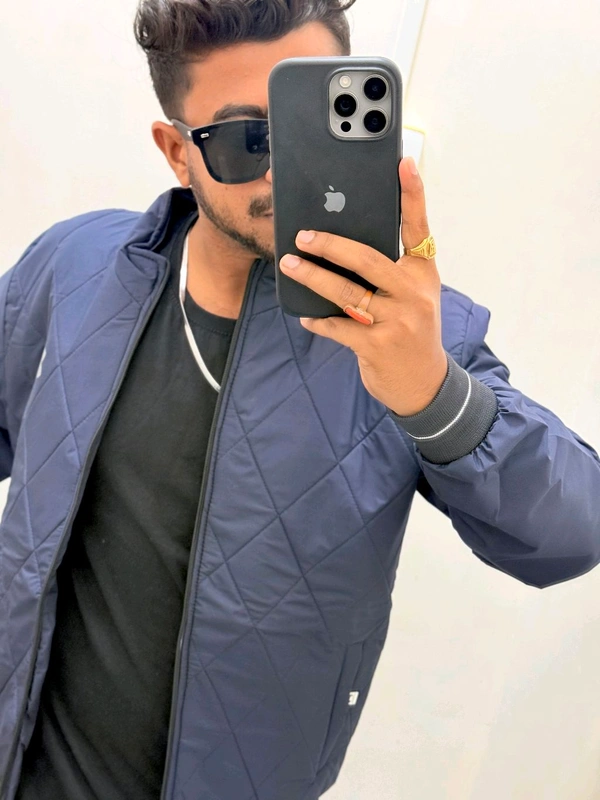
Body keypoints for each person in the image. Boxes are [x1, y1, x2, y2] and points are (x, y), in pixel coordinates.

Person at [2, 1, 599, 798]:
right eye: (247, 139)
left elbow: (573, 533)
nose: (285, 168)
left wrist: (434, 395)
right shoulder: (74, 264)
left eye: (312, 124)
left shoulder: (415, 337)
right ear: (177, 152)